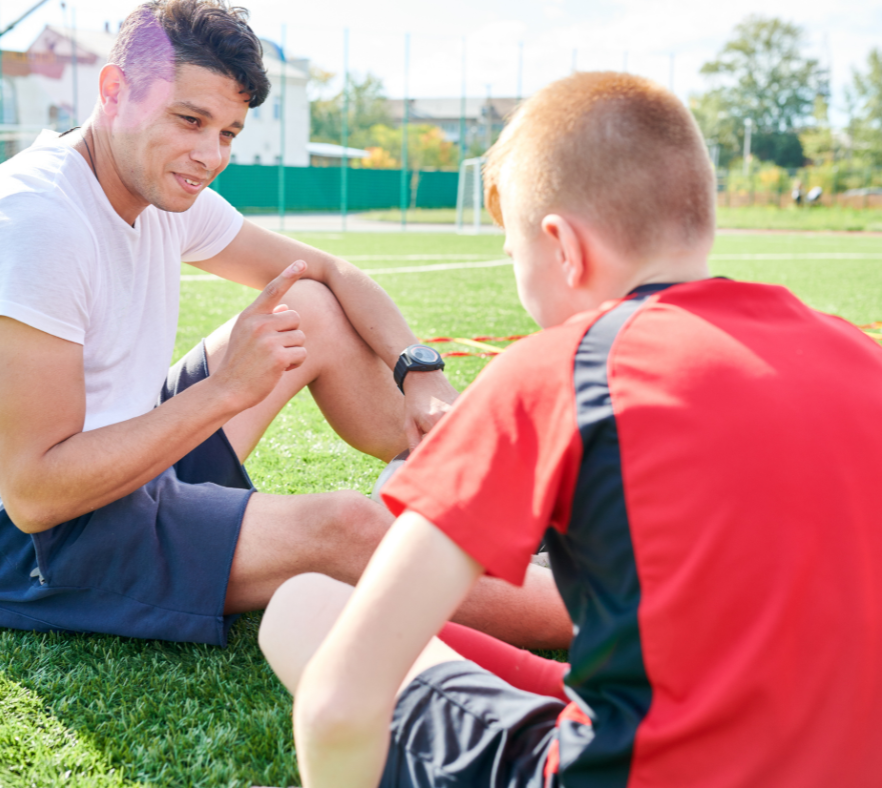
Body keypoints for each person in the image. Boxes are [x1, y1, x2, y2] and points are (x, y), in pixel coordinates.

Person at [259, 71, 882, 787]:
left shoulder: (563, 367)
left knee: (305, 608)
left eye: (515, 260)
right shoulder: (860, 356)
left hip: (632, 769)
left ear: (562, 247)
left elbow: (340, 704)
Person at [0, 0, 571, 650]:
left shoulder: (164, 190)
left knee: (309, 308)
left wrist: (421, 372)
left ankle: (455, 488)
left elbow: (329, 271)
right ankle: (615, 616)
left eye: (228, 133)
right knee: (343, 526)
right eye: (191, 120)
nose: (209, 155)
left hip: (130, 456)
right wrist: (223, 391)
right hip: (22, 543)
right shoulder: (32, 224)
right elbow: (35, 493)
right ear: (114, 92)